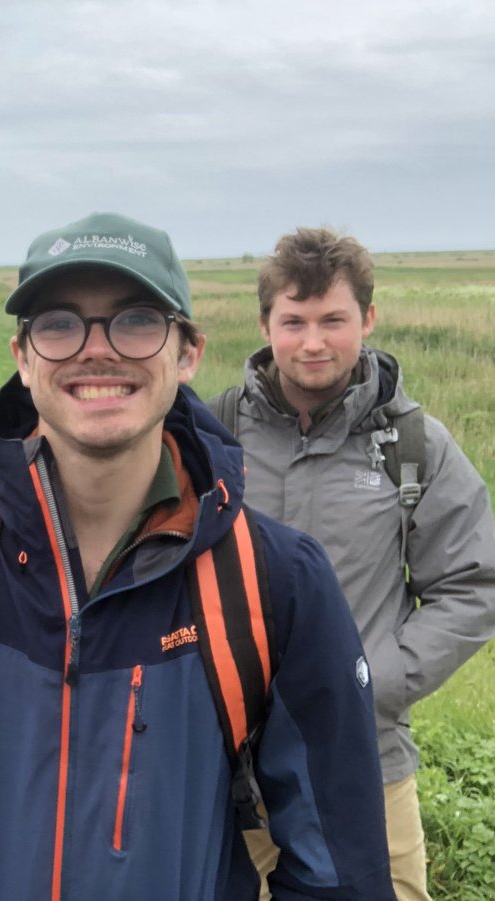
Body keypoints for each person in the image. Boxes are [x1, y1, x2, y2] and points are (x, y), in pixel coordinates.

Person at [0, 212, 395, 899]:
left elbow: (340, 868)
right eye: (60, 323)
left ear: (188, 353)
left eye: (136, 319)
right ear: (23, 357)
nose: (98, 350)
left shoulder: (275, 579)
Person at [206, 227, 495, 901]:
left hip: (368, 763)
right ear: (264, 324)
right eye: (294, 321)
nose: (313, 341)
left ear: (367, 318)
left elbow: (471, 583)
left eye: (333, 319)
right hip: (228, 767)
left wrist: (373, 683)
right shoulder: (215, 434)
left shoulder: (413, 444)